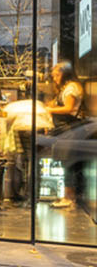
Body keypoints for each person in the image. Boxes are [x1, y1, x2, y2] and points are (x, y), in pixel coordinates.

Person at [46, 61, 87, 210]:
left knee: (69, 164)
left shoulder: (71, 88)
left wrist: (50, 110)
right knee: (67, 164)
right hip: (67, 132)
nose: (55, 78)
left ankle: (69, 198)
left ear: (64, 73)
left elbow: (69, 108)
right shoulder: (66, 88)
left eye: (56, 75)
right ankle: (68, 196)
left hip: (71, 131)